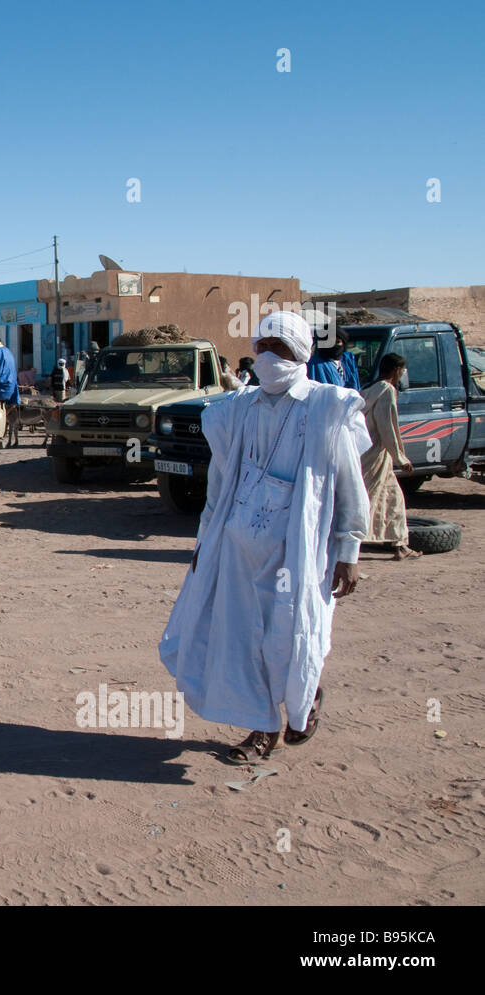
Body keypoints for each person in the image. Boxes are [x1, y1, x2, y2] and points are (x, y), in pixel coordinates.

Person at [159, 311, 370, 763]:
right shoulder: (236, 410)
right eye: (264, 347)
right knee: (240, 641)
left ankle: (305, 697)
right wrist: (204, 543)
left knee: (287, 639)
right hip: (237, 551)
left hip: (297, 552)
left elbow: (349, 484)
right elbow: (219, 486)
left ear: (301, 353)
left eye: (281, 348)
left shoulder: (326, 406)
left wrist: (349, 550)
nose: (270, 357)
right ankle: (262, 729)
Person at [361, 353, 420, 560]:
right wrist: (400, 458)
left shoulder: (369, 390)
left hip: (371, 453)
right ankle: (343, 544)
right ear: (396, 370)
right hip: (377, 454)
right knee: (364, 499)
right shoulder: (386, 390)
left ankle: (400, 545)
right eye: (402, 371)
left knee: (394, 498)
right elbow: (387, 426)